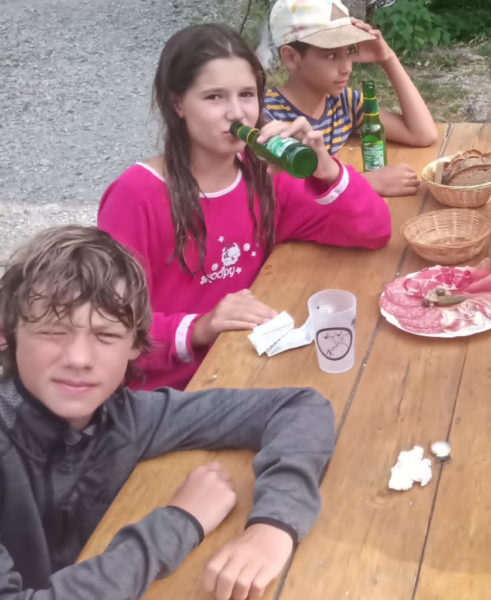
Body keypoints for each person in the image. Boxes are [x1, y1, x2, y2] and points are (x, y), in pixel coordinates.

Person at [0, 225, 335, 599]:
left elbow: (299, 408)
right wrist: (180, 521)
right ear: (7, 335)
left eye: (106, 335)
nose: (78, 358)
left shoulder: (126, 418)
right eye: (52, 332)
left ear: (136, 344)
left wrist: (273, 527)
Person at [98, 23, 391, 392]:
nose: (236, 113)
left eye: (247, 95)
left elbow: (374, 230)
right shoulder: (136, 196)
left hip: (250, 368)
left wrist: (326, 169)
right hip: (169, 394)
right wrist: (201, 327)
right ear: (177, 103)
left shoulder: (264, 176)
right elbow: (106, 326)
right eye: (214, 97)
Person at [264, 0, 438, 197]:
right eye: (332, 55)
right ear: (291, 57)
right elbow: (281, 195)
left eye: (349, 51)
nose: (347, 67)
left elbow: (422, 134)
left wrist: (388, 58)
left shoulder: (343, 102)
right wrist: (367, 182)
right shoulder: (268, 118)